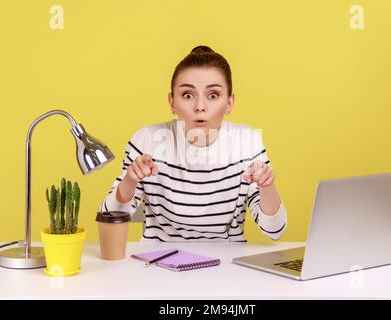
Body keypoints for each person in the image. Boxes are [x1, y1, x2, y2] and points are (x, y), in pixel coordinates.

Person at [99, 46, 287, 242]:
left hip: (226, 266)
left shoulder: (247, 142)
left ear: (230, 102)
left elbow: (274, 231)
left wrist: (267, 185)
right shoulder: (146, 139)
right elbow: (109, 217)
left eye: (213, 95)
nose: (200, 107)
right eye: (188, 95)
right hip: (158, 263)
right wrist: (130, 180)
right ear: (172, 102)